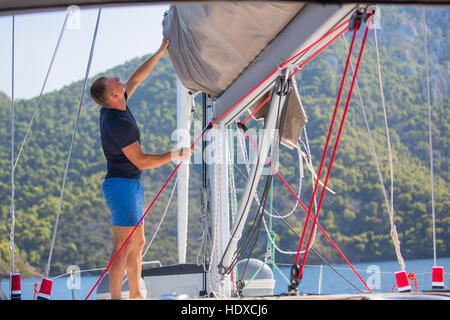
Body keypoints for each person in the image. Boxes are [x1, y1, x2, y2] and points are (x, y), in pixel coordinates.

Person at [90, 39, 191, 299]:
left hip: (130, 185)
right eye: (115, 83)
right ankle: (117, 297)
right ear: (113, 96)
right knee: (122, 247)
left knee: (138, 242)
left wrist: (158, 55)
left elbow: (136, 78)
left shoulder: (118, 102)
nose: (119, 79)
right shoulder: (116, 123)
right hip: (121, 186)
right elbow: (142, 161)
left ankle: (136, 294)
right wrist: (175, 155)